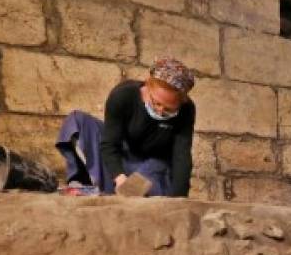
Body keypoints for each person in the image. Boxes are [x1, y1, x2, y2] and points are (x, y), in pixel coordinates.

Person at [56, 56, 196, 197]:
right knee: (77, 121)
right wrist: (119, 177)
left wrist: (178, 199)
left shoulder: (186, 110)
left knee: (150, 176)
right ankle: (83, 184)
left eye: (168, 109)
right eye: (156, 103)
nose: (160, 110)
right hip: (120, 158)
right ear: (148, 85)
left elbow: (181, 157)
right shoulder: (124, 95)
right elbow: (110, 143)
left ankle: (132, 193)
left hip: (152, 166)